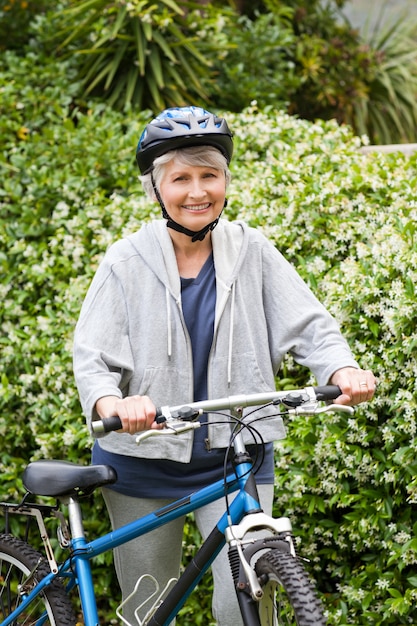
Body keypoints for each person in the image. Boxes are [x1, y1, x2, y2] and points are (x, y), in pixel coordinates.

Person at [73, 106, 376, 625]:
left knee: (245, 601)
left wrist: (340, 369)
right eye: (181, 178)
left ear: (226, 181)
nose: (197, 192)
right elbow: (93, 357)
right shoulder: (125, 259)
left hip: (237, 453)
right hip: (143, 459)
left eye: (209, 175)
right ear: (156, 189)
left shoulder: (252, 250)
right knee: (148, 607)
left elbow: (309, 326)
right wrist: (115, 403)